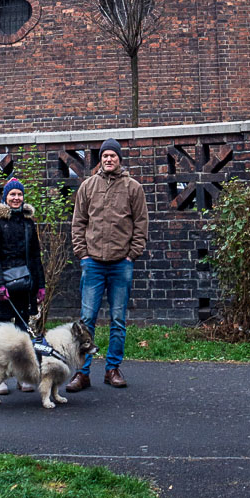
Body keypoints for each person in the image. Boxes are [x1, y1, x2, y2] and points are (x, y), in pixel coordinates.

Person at [66, 139, 149, 391]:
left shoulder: (133, 188)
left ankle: (112, 369)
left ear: (119, 159)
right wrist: (82, 254)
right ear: (100, 159)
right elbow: (78, 222)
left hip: (120, 264)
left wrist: (132, 254)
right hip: (93, 264)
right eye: (105, 156)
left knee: (118, 319)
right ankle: (83, 372)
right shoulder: (88, 186)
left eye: (113, 155)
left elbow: (141, 224)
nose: (109, 159)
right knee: (87, 319)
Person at [0, 177, 46, 393]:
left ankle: (22, 376)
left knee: (22, 334)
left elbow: (35, 257)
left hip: (25, 286)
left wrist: (41, 286)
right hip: (4, 288)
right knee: (3, 334)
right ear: (5, 197)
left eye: (19, 194)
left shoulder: (29, 223)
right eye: (13, 194)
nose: (17, 198)